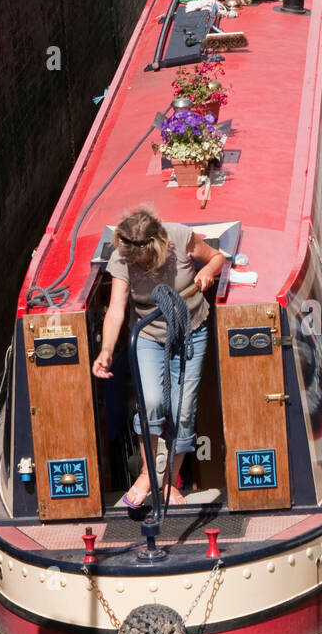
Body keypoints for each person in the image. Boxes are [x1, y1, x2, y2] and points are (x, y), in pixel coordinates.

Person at [92, 210, 225, 506]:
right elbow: (116, 309)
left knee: (184, 409)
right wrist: (106, 352)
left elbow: (217, 258)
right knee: (151, 401)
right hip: (149, 337)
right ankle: (148, 474)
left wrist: (206, 272)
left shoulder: (179, 236)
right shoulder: (122, 259)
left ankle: (168, 483)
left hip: (191, 331)